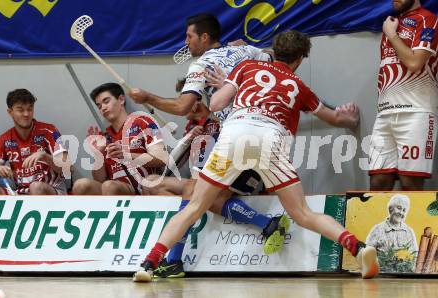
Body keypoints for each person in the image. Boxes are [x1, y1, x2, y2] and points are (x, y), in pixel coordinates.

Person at [135, 30, 379, 281]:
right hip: (271, 140)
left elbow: (217, 104)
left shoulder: (247, 67)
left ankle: (149, 264)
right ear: (300, 59)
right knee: (303, 213)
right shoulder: (299, 87)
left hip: (235, 134)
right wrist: (351, 117)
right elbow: (334, 117)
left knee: (195, 206)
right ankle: (357, 247)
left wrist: (232, 86)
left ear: (274, 50)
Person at [148, 78, 290, 278]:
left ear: (196, 101)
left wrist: (216, 125)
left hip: (245, 169)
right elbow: (172, 163)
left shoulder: (220, 115)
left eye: (183, 102)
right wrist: (188, 138)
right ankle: (267, 224)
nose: (179, 108)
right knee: (158, 184)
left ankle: (173, 260)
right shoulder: (191, 129)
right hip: (215, 178)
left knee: (193, 190)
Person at [368, 0, 438, 190]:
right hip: (384, 114)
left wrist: (391, 35)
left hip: (416, 112)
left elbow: (415, 63)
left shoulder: (428, 19)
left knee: (410, 183)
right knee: (378, 181)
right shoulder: (391, 22)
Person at [72, 83, 169, 195]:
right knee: (81, 185)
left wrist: (126, 155)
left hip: (143, 188)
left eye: (106, 101)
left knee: (109, 186)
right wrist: (98, 154)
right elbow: (99, 180)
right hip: (113, 188)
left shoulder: (143, 122)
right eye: (99, 106)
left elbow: (162, 159)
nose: (103, 108)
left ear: (121, 99)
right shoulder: (102, 136)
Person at [0, 89, 69, 195]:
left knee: (36, 186)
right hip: (21, 193)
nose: (26, 114)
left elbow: (67, 168)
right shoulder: (5, 138)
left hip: (51, 189)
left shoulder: (49, 130)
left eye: (30, 109)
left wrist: (44, 156)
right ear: (10, 112)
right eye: (20, 110)